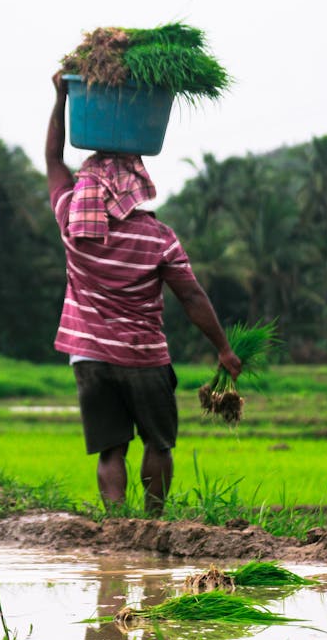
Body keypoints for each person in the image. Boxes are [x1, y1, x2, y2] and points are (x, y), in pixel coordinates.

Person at [46, 72, 241, 516]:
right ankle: (153, 523)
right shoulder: (158, 237)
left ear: (88, 187)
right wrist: (224, 349)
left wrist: (60, 99)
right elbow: (192, 297)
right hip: (143, 358)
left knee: (110, 450)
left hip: (89, 359)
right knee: (158, 441)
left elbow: (53, 160)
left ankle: (116, 526)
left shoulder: (72, 226)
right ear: (135, 186)